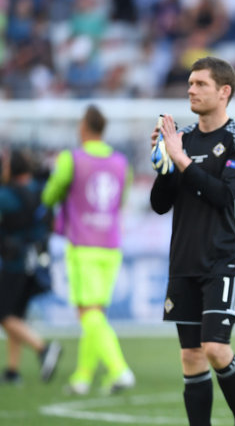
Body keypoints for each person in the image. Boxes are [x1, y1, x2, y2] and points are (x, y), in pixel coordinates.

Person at [149, 56, 235, 426]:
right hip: (183, 260)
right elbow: (160, 204)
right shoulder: (181, 139)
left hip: (223, 259)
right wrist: (166, 164)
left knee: (215, 348)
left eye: (200, 84)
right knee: (191, 357)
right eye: (190, 84)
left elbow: (223, 196)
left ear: (223, 91)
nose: (191, 90)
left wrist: (181, 160)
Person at [41, 105, 133, 395]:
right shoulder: (121, 163)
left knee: (88, 312)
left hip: (83, 244)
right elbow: (121, 200)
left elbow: (49, 194)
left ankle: (119, 370)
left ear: (84, 127)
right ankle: (82, 377)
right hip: (111, 244)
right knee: (95, 314)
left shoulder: (72, 158)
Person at [0, 149, 61, 385]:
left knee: (4, 314)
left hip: (15, 262)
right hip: (36, 261)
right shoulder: (40, 189)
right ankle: (13, 371)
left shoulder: (6, 195)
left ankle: (43, 348)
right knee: (16, 315)